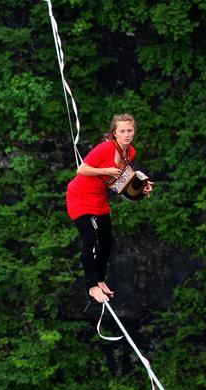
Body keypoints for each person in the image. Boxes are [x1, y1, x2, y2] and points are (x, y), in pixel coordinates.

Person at [66, 114, 154, 303]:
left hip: (99, 199)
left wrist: (142, 187)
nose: (126, 134)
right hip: (80, 197)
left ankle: (100, 279)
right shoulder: (104, 148)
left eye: (130, 130)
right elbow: (82, 169)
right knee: (89, 239)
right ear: (114, 133)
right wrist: (105, 170)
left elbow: (121, 183)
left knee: (107, 240)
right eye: (122, 131)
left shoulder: (130, 152)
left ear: (134, 132)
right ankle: (91, 286)